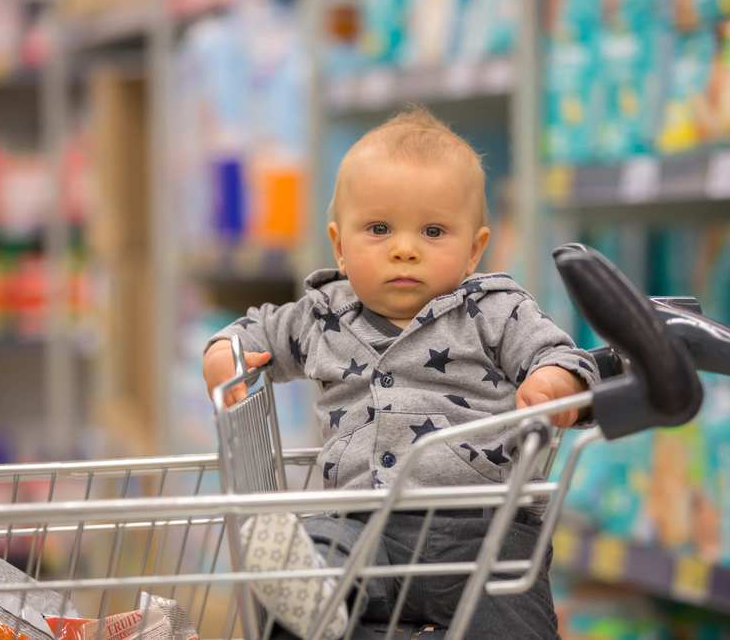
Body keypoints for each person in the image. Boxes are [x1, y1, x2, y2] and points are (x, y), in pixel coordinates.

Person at [202, 105, 599, 640]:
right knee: (312, 568)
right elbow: (253, 333)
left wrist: (553, 383)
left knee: (512, 616)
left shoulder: (495, 311)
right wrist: (225, 354)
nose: (405, 249)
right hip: (359, 526)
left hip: (483, 533)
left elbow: (562, 355)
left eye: (433, 231)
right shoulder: (321, 316)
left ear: (475, 250)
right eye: (379, 229)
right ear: (339, 246)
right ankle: (309, 587)